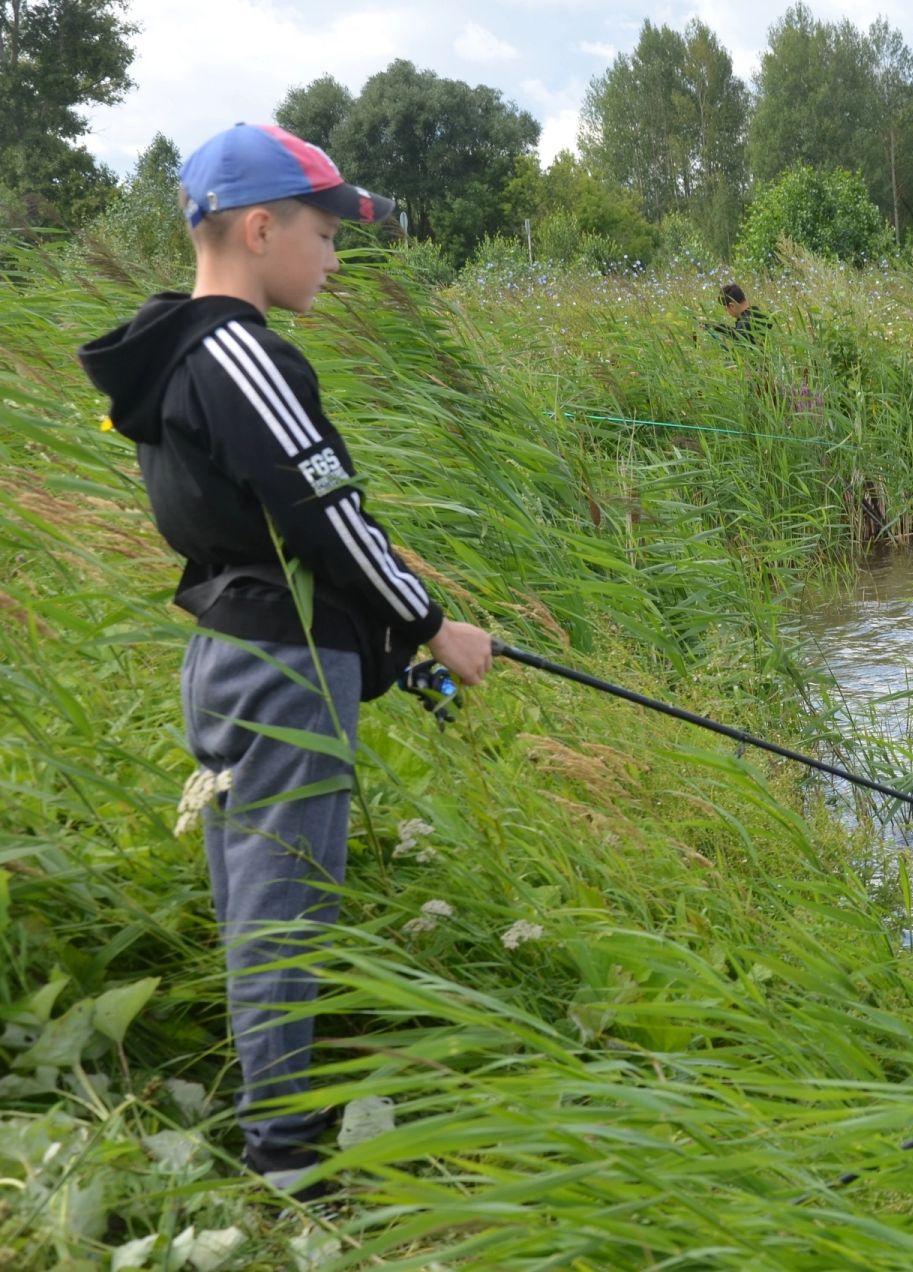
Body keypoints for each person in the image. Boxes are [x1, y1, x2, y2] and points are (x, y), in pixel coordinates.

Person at [76, 123, 493, 1199]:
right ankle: (290, 1169)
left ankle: (275, 1130)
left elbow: (259, 541)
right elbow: (327, 520)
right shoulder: (237, 353)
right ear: (259, 229)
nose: (335, 257)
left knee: (258, 903)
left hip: (240, 653)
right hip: (281, 676)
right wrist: (434, 625)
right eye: (322, 233)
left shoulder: (170, 357)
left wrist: (398, 660)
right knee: (284, 916)